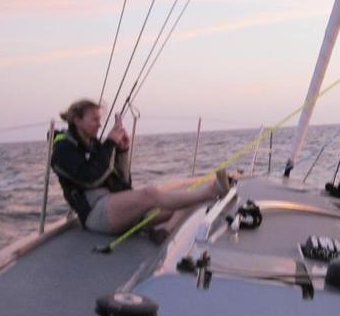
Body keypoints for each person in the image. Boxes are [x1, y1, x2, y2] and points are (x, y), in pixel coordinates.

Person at [51, 99, 229, 235]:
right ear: (77, 120)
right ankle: (212, 190)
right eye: (94, 119)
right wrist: (111, 142)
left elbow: (122, 181)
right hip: (95, 214)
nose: (99, 124)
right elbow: (91, 179)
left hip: (115, 204)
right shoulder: (62, 151)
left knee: (187, 201)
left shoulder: (93, 145)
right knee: (150, 194)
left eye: (100, 119)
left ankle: (165, 231)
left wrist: (122, 150)